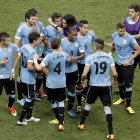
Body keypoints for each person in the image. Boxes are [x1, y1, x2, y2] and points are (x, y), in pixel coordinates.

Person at [78, 38, 117, 140]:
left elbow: (84, 74)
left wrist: (83, 81)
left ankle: (81, 124)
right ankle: (111, 133)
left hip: (94, 85)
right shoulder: (109, 57)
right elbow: (115, 73)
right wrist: (114, 80)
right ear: (103, 47)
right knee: (107, 107)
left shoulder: (90, 57)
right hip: (106, 86)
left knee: (88, 104)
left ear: (95, 47)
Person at [33, 38, 71, 131]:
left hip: (51, 84)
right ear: (59, 45)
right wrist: (62, 51)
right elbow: (69, 60)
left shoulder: (48, 56)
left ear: (51, 46)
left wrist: (35, 60)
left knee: (53, 101)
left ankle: (58, 119)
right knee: (61, 101)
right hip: (61, 83)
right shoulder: (64, 55)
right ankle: (61, 123)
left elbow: (38, 68)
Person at [106, 22, 140, 114]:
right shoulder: (114, 36)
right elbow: (114, 46)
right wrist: (109, 54)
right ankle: (122, 98)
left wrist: (129, 60)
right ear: (117, 30)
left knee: (128, 85)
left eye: (124, 30)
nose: (122, 32)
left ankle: (128, 106)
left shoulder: (130, 38)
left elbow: (138, 50)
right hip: (118, 64)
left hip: (127, 65)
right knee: (120, 82)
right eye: (120, 31)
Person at [11, 32, 42, 125]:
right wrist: (40, 69)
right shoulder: (32, 52)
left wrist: (13, 69)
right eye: (39, 40)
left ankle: (29, 117)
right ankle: (20, 120)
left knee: (31, 97)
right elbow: (30, 67)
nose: (40, 41)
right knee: (29, 98)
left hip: (22, 76)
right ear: (34, 41)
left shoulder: (24, 46)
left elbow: (17, 58)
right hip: (29, 79)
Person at [14, 9, 42, 105]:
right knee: (21, 77)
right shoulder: (22, 28)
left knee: (33, 75)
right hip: (26, 56)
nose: (35, 20)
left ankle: (30, 96)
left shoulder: (38, 26)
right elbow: (16, 43)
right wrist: (21, 53)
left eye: (36, 18)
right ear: (27, 19)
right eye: (33, 19)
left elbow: (39, 38)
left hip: (36, 54)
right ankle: (20, 98)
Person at [61, 27, 84, 118]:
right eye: (73, 35)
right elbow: (57, 51)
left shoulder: (79, 41)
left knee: (71, 88)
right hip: (63, 70)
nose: (75, 37)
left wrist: (74, 58)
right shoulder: (62, 41)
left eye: (76, 35)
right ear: (69, 34)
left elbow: (82, 55)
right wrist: (66, 57)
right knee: (62, 88)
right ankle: (59, 108)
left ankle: (70, 109)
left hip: (73, 70)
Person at [76, 20, 96, 113]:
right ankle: (79, 105)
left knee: (90, 81)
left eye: (88, 27)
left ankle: (85, 95)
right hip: (80, 63)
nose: (86, 29)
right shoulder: (75, 37)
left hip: (90, 62)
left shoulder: (90, 34)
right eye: (84, 28)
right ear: (79, 27)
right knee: (79, 84)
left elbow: (95, 43)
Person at [0, 32, 18, 117]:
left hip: (9, 75)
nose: (9, 42)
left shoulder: (12, 46)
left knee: (13, 95)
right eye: (7, 41)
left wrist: (13, 69)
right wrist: (0, 63)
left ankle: (10, 106)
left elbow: (20, 52)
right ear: (2, 41)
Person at [124, 3, 140, 69]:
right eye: (129, 11)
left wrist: (129, 36)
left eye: (132, 12)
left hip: (138, 48)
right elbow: (124, 33)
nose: (130, 13)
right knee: (130, 70)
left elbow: (139, 35)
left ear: (137, 13)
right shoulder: (125, 21)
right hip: (130, 50)